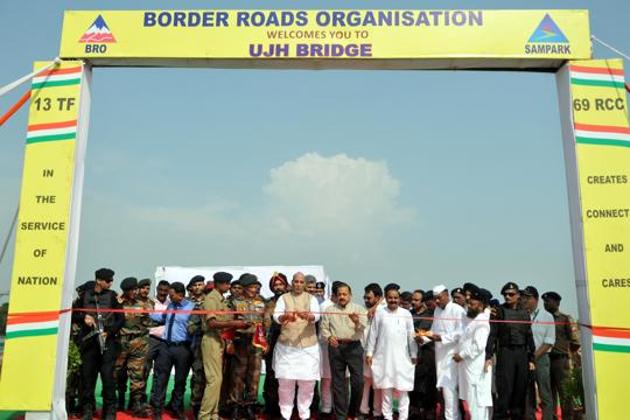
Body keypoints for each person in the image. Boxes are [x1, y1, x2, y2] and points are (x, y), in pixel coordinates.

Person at [72, 268, 124, 420]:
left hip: (108, 343)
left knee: (108, 379)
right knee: (87, 379)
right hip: (89, 344)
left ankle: (109, 412)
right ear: (99, 281)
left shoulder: (113, 297)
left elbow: (121, 319)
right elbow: (73, 314)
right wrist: (84, 317)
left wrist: (110, 331)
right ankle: (87, 410)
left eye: (111, 280)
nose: (110, 283)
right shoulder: (84, 296)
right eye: (108, 280)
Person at [199, 272, 249, 420]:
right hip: (211, 340)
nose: (228, 286)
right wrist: (234, 323)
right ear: (219, 284)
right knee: (213, 380)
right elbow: (212, 323)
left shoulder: (221, 300)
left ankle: (214, 414)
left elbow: (225, 321)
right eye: (226, 284)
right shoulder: (211, 299)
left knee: (218, 379)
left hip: (219, 340)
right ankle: (204, 415)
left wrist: (241, 323)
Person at [272, 272, 321, 420]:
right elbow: (276, 316)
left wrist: (308, 316)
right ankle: (285, 414)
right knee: (285, 382)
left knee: (307, 383)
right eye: (296, 282)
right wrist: (285, 317)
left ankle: (304, 414)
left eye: (301, 282)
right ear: (292, 283)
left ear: (304, 284)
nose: (298, 284)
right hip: (287, 346)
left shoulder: (311, 299)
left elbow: (317, 316)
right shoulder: (283, 298)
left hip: (308, 347)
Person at [366, 283, 417, 420]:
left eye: (395, 298)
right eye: (390, 297)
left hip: (402, 358)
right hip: (384, 357)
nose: (393, 300)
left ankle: (403, 417)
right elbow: (373, 334)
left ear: (399, 298)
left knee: (403, 389)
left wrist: (414, 354)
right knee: (386, 389)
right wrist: (369, 353)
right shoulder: (380, 313)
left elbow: (411, 336)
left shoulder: (406, 314)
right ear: (386, 298)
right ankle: (387, 416)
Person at [320, 282, 368, 420]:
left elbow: (363, 327)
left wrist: (356, 321)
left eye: (345, 294)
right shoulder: (329, 309)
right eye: (339, 294)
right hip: (336, 348)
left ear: (350, 295)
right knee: (338, 383)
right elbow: (324, 328)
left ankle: (353, 412)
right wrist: (329, 337)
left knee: (358, 382)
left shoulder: (359, 309)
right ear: (335, 295)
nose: (342, 296)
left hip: (354, 347)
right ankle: (341, 415)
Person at [149, 282, 195, 419]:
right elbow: (162, 317)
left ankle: (176, 407)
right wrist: (146, 312)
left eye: (171, 294)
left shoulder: (192, 308)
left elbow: (195, 328)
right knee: (161, 379)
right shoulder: (170, 305)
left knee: (180, 381)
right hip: (166, 347)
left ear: (180, 295)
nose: (169, 296)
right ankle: (157, 410)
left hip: (183, 348)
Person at [490, 282, 535, 420]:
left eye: (511, 294)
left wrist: (532, 358)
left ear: (518, 295)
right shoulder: (498, 311)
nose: (507, 297)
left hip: (521, 354)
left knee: (520, 389)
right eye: (505, 295)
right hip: (506, 353)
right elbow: (492, 334)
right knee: (505, 390)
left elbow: (529, 336)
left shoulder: (524, 313)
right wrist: (488, 356)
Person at [227, 274, 268, 419]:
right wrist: (229, 342)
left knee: (254, 375)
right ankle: (235, 406)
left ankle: (250, 405)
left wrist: (265, 342)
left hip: (256, 343)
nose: (254, 289)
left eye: (255, 287)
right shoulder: (234, 302)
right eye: (251, 287)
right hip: (240, 341)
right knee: (237, 376)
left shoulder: (261, 302)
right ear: (244, 288)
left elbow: (264, 324)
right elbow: (228, 324)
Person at [114, 277, 154, 417]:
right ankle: (118, 401)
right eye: (130, 290)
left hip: (139, 342)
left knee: (137, 375)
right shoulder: (117, 302)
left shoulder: (145, 303)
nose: (133, 292)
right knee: (117, 373)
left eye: (134, 289)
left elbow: (150, 321)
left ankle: (136, 404)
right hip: (121, 342)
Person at [427, 285, 466, 420]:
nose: (437, 301)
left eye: (439, 298)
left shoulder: (458, 310)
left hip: (452, 356)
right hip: (440, 356)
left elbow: (461, 332)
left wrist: (442, 338)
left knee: (449, 389)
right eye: (435, 299)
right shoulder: (437, 311)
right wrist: (423, 337)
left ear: (447, 295)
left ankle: (452, 417)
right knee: (445, 389)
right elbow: (433, 330)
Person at [453, 288, 493, 420]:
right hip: (468, 367)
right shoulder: (474, 320)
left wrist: (462, 355)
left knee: (477, 401)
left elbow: (479, 346)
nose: (469, 306)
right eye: (469, 303)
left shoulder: (482, 322)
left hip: (474, 367)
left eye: (472, 304)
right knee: (472, 402)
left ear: (480, 306)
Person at [542, 292, 581, 420]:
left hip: (561, 360)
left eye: (549, 301)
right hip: (546, 359)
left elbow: (575, 341)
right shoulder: (542, 318)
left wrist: (568, 354)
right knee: (549, 393)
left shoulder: (565, 318)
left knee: (565, 393)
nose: (546, 303)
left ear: (557, 303)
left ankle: (567, 417)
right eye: (545, 301)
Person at [522, 286, 555, 420]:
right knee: (528, 393)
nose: (525, 300)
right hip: (525, 359)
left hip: (541, 358)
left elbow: (549, 341)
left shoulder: (547, 316)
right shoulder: (522, 315)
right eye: (524, 298)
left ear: (536, 299)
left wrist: (533, 357)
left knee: (544, 393)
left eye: (528, 298)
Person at [264, 272, 289, 419]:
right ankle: (271, 407)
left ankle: (288, 408)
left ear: (286, 285)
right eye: (275, 285)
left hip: (289, 343)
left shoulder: (291, 300)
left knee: (287, 376)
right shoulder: (268, 303)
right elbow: (265, 325)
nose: (278, 287)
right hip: (272, 341)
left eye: (280, 284)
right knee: (271, 375)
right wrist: (265, 343)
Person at [360, 283, 384, 419]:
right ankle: (363, 410)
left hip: (380, 353)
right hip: (365, 351)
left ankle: (377, 412)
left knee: (378, 384)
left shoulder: (384, 310)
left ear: (378, 297)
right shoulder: (363, 309)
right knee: (366, 383)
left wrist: (378, 305)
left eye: (369, 298)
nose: (366, 300)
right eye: (365, 297)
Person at [413, 291, 438, 419]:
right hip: (423, 352)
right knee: (419, 382)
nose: (431, 305)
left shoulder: (442, 314)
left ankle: (430, 409)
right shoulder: (426, 315)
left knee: (432, 383)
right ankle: (416, 409)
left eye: (432, 301)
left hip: (436, 352)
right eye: (428, 303)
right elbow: (421, 333)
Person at [145, 280, 170, 406]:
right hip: (151, 339)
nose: (162, 293)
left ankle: (156, 401)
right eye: (160, 290)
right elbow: (149, 319)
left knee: (160, 373)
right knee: (144, 370)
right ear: (157, 289)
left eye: (165, 291)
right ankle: (140, 401)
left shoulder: (171, 304)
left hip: (165, 342)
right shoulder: (149, 302)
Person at [187, 275, 207, 418]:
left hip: (203, 340)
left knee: (200, 374)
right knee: (187, 374)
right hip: (185, 341)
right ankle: (190, 404)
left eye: (200, 284)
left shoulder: (210, 300)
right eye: (195, 285)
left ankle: (199, 404)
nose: (198, 287)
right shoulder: (185, 302)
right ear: (191, 288)